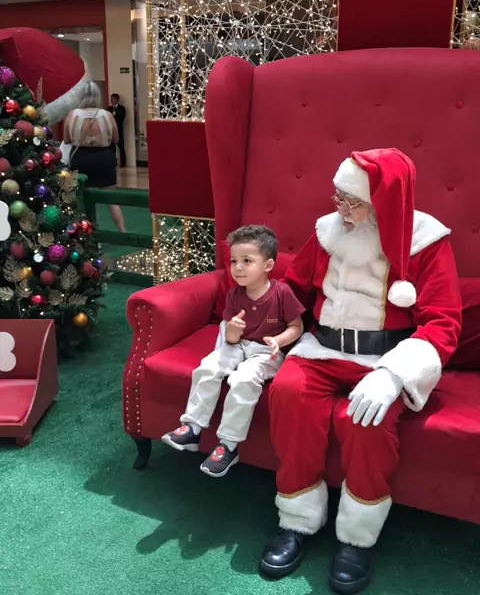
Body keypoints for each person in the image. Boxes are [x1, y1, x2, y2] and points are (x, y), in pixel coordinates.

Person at [259, 149, 462, 594]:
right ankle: (297, 521)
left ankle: (356, 538)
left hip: (384, 358)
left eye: (351, 201)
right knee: (288, 393)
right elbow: (293, 290)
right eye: (338, 197)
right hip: (321, 348)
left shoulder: (427, 241)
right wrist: (254, 318)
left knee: (366, 419)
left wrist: (394, 375)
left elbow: (444, 321)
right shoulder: (327, 231)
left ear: (384, 201)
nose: (341, 209)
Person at [162, 225, 306, 477]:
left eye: (247, 261)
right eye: (234, 261)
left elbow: (297, 326)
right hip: (237, 345)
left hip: (266, 351)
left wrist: (278, 340)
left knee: (243, 379)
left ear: (268, 265)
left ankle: (228, 446)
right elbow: (229, 339)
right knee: (208, 367)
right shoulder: (234, 295)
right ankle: (192, 428)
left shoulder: (281, 292)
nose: (238, 267)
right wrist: (232, 330)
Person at [63, 81, 126, 233]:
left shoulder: (72, 115)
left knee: (82, 200)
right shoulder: (107, 115)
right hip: (104, 159)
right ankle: (122, 232)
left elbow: (66, 140)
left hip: (80, 158)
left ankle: (87, 235)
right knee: (111, 200)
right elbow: (116, 139)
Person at [107, 93, 126, 167]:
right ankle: (113, 161)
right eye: (111, 98)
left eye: (113, 98)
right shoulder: (109, 109)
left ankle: (123, 162)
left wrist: (115, 115)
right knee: (112, 147)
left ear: (117, 99)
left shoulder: (122, 108)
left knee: (121, 146)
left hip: (119, 129)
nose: (111, 100)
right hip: (111, 129)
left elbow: (122, 118)